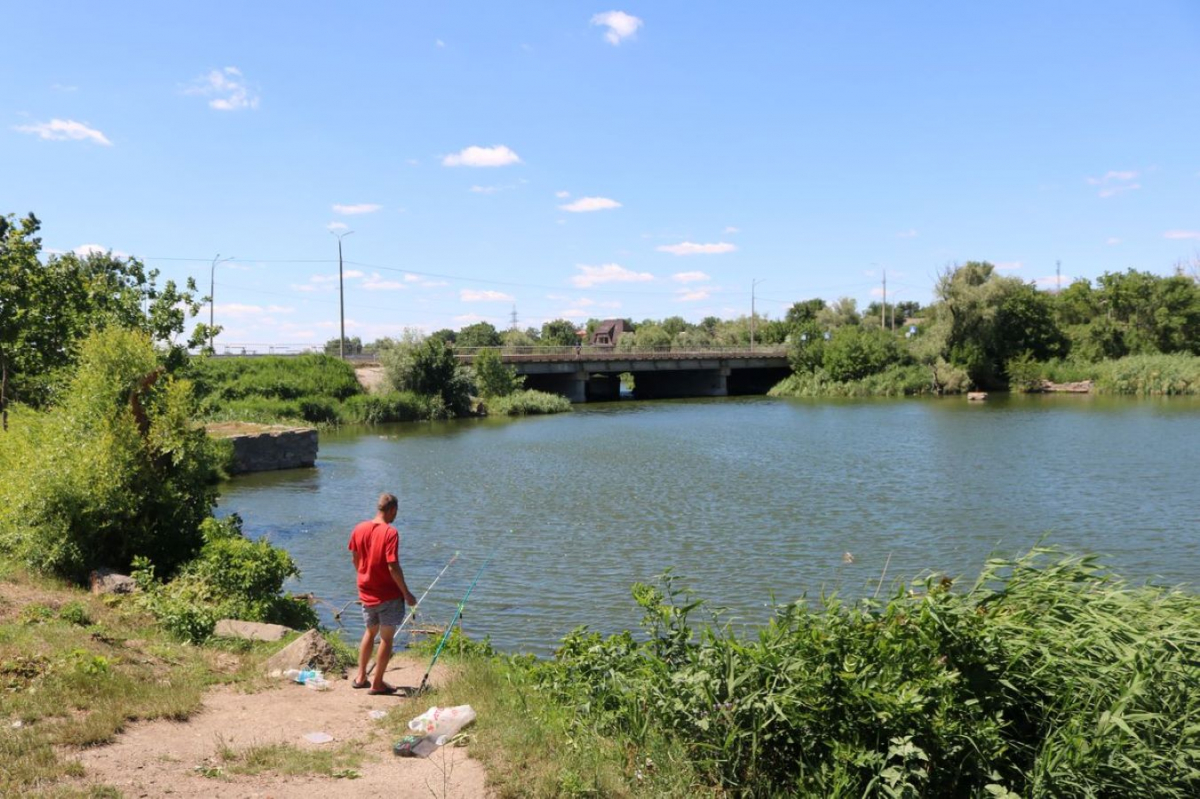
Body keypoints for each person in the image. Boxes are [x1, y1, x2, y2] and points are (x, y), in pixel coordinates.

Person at [348, 492, 417, 695]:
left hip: (366, 590)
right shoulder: (390, 533)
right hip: (387, 594)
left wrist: (364, 576)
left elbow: (355, 558)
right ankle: (377, 683)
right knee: (386, 638)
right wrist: (407, 593)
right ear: (392, 510)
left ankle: (360, 677)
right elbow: (392, 566)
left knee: (370, 631)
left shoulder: (359, 528)